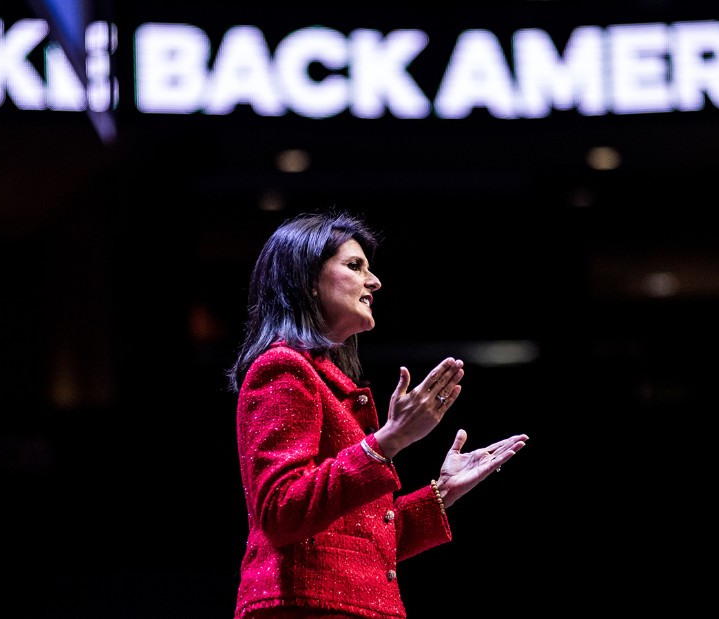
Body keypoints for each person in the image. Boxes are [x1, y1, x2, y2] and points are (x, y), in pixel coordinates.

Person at [226, 209, 529, 619]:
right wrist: (390, 440)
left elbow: (356, 540)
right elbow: (282, 512)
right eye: (355, 266)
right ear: (308, 282)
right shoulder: (282, 369)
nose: (375, 282)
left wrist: (442, 492)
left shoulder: (322, 378)